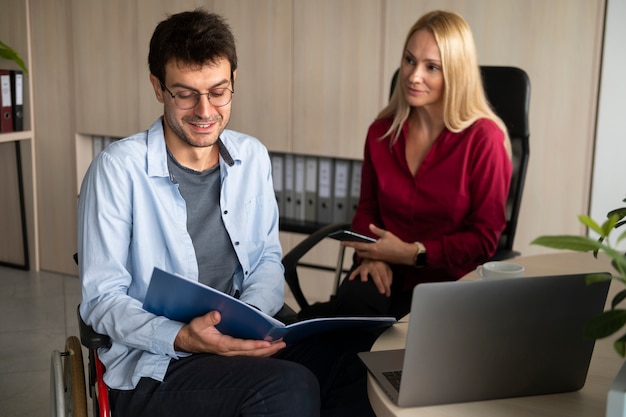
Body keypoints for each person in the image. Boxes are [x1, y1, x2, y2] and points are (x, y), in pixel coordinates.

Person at [78, 9, 376, 417]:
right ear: (157, 87)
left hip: (240, 337)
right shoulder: (116, 170)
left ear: (233, 80)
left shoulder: (251, 156)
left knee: (361, 360)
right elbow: (101, 299)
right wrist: (185, 336)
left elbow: (267, 259)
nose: (204, 111)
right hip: (159, 362)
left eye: (218, 91)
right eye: (185, 93)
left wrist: (247, 322)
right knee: (288, 388)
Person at [299, 10, 512, 320]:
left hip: (448, 280)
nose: (414, 76)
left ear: (456, 73)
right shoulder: (382, 132)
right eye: (410, 60)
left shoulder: (484, 139)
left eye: (432, 67)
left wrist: (414, 253)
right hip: (384, 268)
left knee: (402, 338)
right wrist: (370, 255)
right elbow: (367, 209)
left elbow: (483, 239)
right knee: (350, 316)